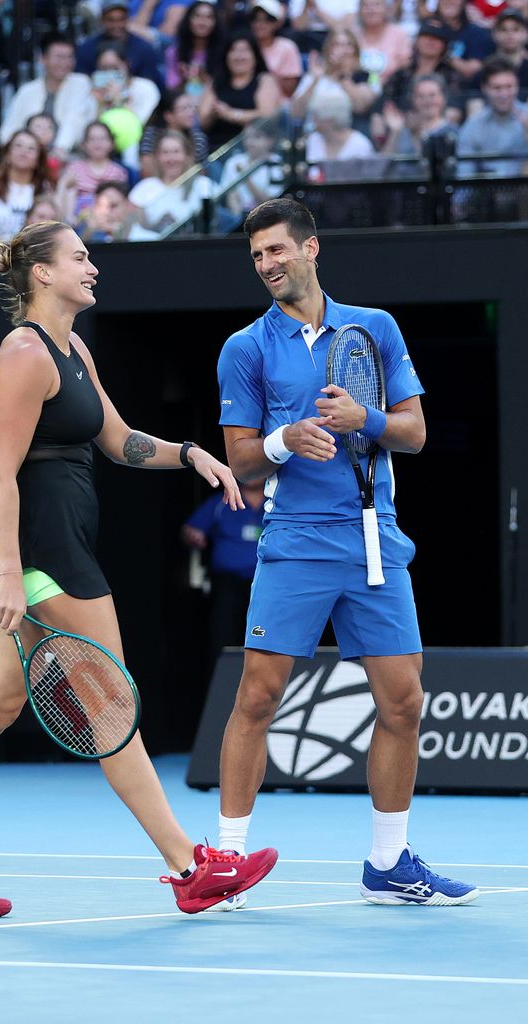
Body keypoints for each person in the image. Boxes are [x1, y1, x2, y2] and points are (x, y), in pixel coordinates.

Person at [0, 218, 278, 918]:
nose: (92, 266)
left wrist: (189, 453)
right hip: (48, 555)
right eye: (80, 256)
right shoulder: (22, 354)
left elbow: (120, 440)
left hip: (60, 545)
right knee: (111, 708)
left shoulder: (72, 348)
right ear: (43, 272)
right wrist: (9, 571)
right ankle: (191, 868)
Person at [213, 195, 479, 909]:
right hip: (295, 543)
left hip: (374, 541)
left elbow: (415, 433)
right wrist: (285, 439)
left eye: (276, 250)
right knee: (258, 695)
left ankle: (388, 862)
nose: (266, 264)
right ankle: (227, 864)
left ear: (311, 248)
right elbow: (239, 462)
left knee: (404, 702)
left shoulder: (377, 329)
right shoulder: (245, 349)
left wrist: (364, 418)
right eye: (256, 255)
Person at [182, 478, 266, 681]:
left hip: (267, 588)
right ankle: (220, 687)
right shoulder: (221, 503)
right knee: (223, 637)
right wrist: (193, 536)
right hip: (229, 585)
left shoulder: (280, 502)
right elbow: (189, 529)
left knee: (265, 642)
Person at [0, 34, 96, 157]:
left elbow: (75, 120)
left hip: (70, 155)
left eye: (70, 57)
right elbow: (9, 130)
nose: (65, 63)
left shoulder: (81, 82)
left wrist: (59, 150)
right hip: (30, 157)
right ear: (43, 59)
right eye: (59, 57)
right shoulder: (27, 90)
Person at [198, 31, 283, 151]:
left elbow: (267, 116)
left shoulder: (264, 80)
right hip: (216, 151)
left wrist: (232, 114)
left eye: (245, 50)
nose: (239, 56)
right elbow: (202, 121)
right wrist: (214, 112)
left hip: (253, 150)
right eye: (233, 50)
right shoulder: (216, 82)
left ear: (255, 55)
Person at [0, 130, 52, 253]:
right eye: (18, 146)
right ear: (7, 153)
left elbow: (53, 229)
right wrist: (13, 249)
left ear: (38, 159)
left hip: (31, 260)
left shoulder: (45, 187)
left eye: (31, 149)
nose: (24, 152)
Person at [290, 26, 379, 131]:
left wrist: (343, 76)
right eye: (337, 44)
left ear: (356, 50)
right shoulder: (314, 75)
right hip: (313, 134)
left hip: (348, 135)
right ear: (328, 49)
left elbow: (361, 108)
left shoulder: (368, 76)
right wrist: (315, 81)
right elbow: (295, 114)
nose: (343, 50)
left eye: (348, 45)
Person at [128, 129, 211, 232]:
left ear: (187, 155)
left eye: (176, 152)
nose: (171, 159)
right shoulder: (144, 188)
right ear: (157, 157)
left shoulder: (203, 185)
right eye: (165, 152)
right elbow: (134, 230)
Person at [456, 56, 528, 174]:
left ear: (517, 86)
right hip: (487, 190)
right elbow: (464, 176)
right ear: (484, 88)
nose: (504, 94)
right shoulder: (473, 126)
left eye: (509, 87)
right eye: (497, 88)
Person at [75, 0, 163, 88]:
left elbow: (149, 84)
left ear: (128, 19)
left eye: (121, 19)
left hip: (136, 98)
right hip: (95, 97)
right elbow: (81, 82)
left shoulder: (144, 49)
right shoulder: (86, 48)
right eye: (110, 20)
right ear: (102, 20)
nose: (116, 25)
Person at [55, 121, 129, 225]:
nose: (97, 143)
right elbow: (63, 196)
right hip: (77, 222)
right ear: (84, 144)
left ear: (111, 143)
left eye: (102, 139)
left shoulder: (119, 172)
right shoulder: (74, 168)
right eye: (92, 139)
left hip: (108, 222)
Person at [218, 120, 285, 215]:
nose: (250, 142)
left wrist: (245, 176)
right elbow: (230, 195)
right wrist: (238, 221)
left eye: (257, 137)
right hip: (239, 218)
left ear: (270, 140)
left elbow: (269, 202)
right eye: (247, 137)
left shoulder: (276, 163)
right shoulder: (233, 162)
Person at [139, 88, 209, 177]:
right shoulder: (152, 135)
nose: (191, 112)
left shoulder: (198, 137)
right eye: (185, 108)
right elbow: (147, 170)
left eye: (193, 107)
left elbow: (201, 172)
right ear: (168, 116)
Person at [164, 0, 223, 93]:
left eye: (209, 17)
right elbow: (170, 90)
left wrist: (203, 77)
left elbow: (227, 91)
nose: (202, 22)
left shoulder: (224, 52)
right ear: (188, 20)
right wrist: (184, 79)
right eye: (197, 16)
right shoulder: (174, 52)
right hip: (183, 103)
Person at [250, 0, 303, 98]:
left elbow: (289, 90)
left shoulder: (287, 47)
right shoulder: (245, 46)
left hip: (277, 105)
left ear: (277, 23)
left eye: (267, 20)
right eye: (255, 19)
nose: (260, 24)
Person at [354, 0, 411, 86]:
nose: (371, 10)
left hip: (392, 88)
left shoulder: (399, 34)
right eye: (366, 6)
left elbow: (405, 65)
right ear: (359, 11)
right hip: (357, 87)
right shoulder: (353, 35)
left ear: (386, 9)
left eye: (377, 5)